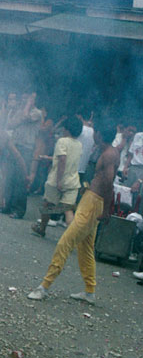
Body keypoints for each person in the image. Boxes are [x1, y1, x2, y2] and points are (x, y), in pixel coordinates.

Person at [27, 125, 123, 303]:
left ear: (99, 134)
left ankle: (44, 287)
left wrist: (107, 210)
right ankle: (89, 291)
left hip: (94, 202)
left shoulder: (109, 154)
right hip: (91, 200)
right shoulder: (108, 151)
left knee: (65, 242)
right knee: (85, 248)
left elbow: (109, 182)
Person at [31, 115, 83, 237]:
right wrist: (50, 158)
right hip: (73, 181)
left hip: (57, 180)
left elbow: (62, 160)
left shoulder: (62, 141)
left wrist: (59, 180)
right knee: (68, 209)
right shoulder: (79, 144)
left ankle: (42, 228)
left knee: (48, 204)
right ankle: (72, 238)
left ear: (67, 129)